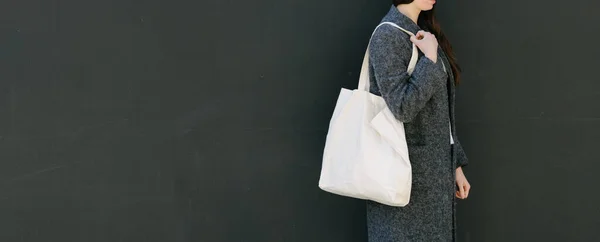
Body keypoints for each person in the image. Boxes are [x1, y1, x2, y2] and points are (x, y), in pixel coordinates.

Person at [366, 1, 472, 241]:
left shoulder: (423, 32)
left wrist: (454, 164)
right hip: (405, 183)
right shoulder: (387, 35)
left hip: (431, 179)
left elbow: (440, 113)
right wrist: (430, 59)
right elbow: (402, 107)